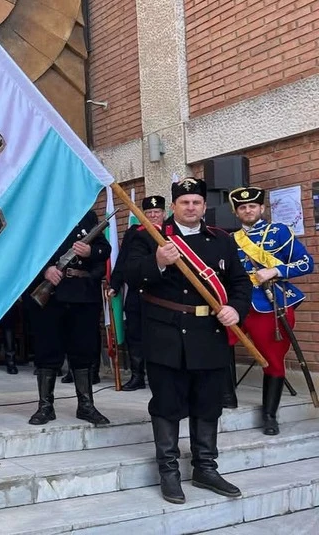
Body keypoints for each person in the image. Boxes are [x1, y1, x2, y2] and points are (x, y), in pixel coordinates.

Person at [125, 177, 251, 505]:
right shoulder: (148, 237)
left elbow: (240, 282)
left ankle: (205, 468)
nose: (191, 207)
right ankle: (168, 472)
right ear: (174, 206)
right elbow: (127, 274)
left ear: (204, 206)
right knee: (167, 404)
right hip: (165, 334)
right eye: (184, 202)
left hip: (208, 334)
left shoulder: (221, 240)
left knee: (208, 402)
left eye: (196, 202)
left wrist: (235, 310)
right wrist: (158, 262)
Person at [229, 186, 314, 435]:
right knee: (218, 343)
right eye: (242, 207)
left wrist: (275, 271)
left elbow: (307, 263)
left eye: (252, 206)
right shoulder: (229, 239)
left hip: (270, 304)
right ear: (237, 213)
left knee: (274, 360)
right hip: (237, 303)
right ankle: (226, 397)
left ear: (262, 208)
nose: (248, 210)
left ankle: (269, 415)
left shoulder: (279, 232)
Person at [25, 210, 111, 427]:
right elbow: (25, 251)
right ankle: (45, 406)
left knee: (84, 350)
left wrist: (90, 250)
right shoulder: (40, 211)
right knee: (47, 349)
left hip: (82, 293)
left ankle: (86, 405)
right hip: (51, 295)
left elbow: (104, 250)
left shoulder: (87, 215)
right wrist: (45, 271)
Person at [108, 195, 166, 391]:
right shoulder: (135, 233)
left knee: (159, 336)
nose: (152, 216)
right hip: (136, 291)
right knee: (135, 334)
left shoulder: (170, 232)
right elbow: (123, 260)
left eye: (156, 212)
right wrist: (114, 285)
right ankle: (137, 375)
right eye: (148, 213)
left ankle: (160, 376)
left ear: (164, 213)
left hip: (160, 294)